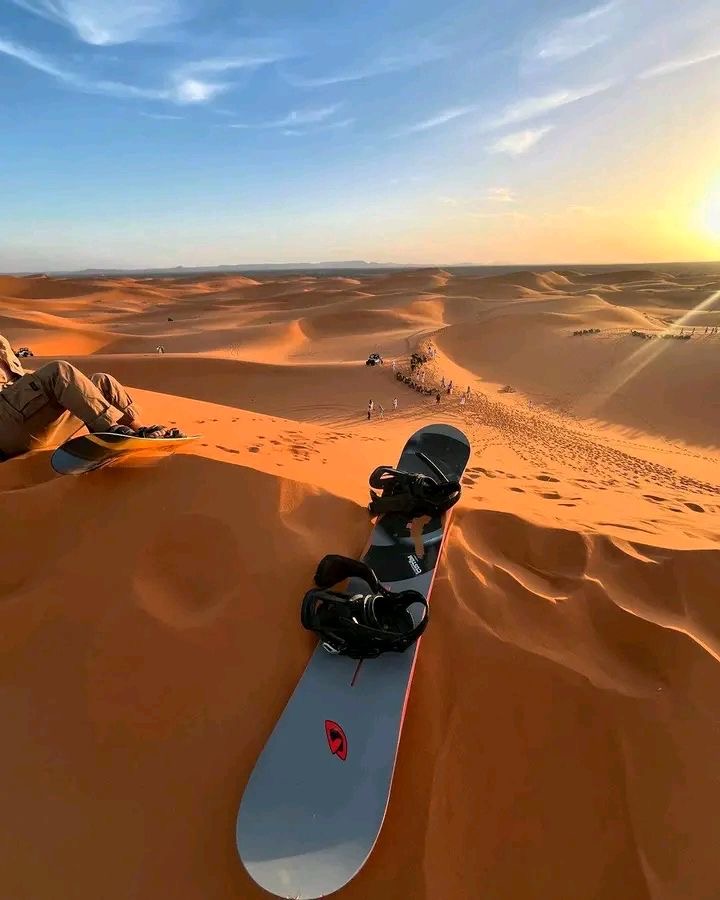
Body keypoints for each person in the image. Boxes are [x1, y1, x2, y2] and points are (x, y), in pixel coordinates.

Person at [0, 335, 182, 461]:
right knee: (59, 371)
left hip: (29, 425)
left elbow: (19, 379)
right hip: (6, 433)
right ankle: (112, 431)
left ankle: (140, 433)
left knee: (101, 382)